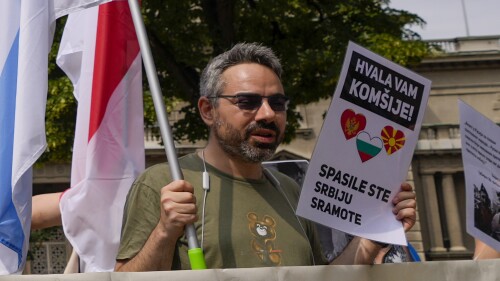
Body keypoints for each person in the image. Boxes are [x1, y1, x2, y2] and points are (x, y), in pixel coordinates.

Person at [114, 42, 417, 271]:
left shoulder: (290, 190)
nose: (268, 114)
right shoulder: (164, 183)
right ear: (208, 110)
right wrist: (165, 232)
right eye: (247, 101)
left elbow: (325, 278)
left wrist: (373, 235)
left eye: (278, 102)